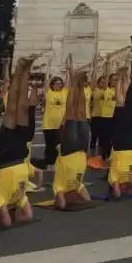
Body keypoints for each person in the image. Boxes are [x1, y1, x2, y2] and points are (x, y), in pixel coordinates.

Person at [0, 56, 37, 228]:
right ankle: (26, 71)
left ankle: (18, 70)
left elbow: (7, 223)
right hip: (20, 155)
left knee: (12, 108)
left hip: (6, 157)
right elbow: (29, 216)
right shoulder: (19, 199)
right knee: (22, 107)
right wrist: (17, 212)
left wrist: (10, 217)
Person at [52, 60, 91, 209]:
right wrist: (78, 197)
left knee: (71, 113)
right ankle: (80, 83)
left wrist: (62, 200)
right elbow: (88, 200)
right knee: (80, 111)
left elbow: (61, 204)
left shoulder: (58, 188)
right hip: (81, 150)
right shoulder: (78, 185)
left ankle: (74, 82)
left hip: (68, 151)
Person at [108, 68, 132, 198]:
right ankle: (124, 77)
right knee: (122, 102)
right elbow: (117, 193)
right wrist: (120, 192)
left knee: (130, 104)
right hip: (120, 143)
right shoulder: (115, 177)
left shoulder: (130, 174)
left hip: (129, 143)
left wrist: (127, 190)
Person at [41, 73, 68, 169]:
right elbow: (45, 82)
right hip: (49, 124)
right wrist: (48, 67)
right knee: (50, 146)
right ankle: (50, 165)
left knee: (60, 146)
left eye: (60, 83)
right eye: (56, 83)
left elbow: (69, 80)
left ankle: (59, 164)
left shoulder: (65, 92)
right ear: (52, 84)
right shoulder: (48, 92)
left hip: (61, 124)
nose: (58, 85)